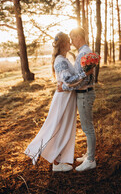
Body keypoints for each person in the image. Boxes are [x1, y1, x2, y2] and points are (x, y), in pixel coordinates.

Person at [24, 32, 89, 172]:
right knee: (58, 127)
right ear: (63, 44)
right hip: (63, 99)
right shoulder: (60, 60)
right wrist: (85, 73)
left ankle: (59, 159)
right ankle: (56, 162)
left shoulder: (63, 59)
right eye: (68, 41)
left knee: (64, 128)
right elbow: (68, 80)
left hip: (67, 98)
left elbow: (68, 81)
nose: (71, 44)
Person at [58, 27, 96, 172]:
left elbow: (82, 80)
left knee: (88, 128)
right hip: (85, 93)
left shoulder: (84, 54)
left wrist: (65, 88)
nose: (72, 42)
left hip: (85, 93)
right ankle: (88, 154)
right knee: (87, 126)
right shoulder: (85, 52)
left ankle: (91, 160)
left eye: (73, 39)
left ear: (79, 37)